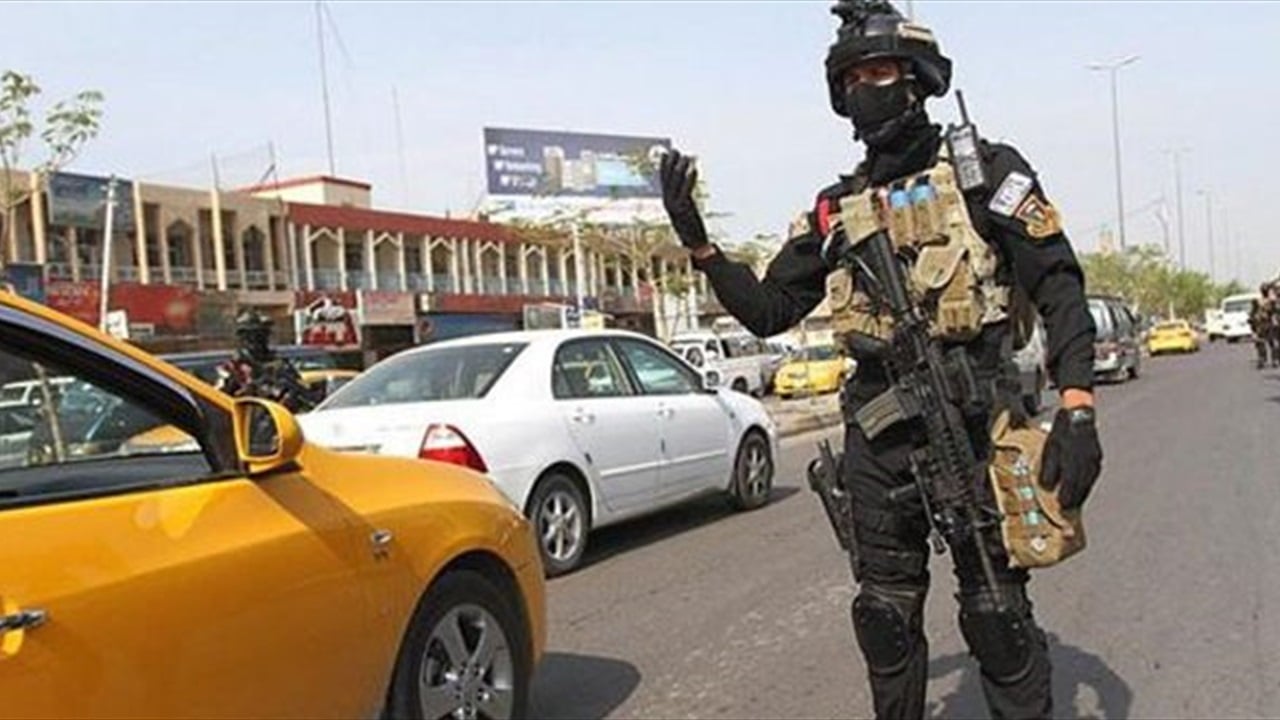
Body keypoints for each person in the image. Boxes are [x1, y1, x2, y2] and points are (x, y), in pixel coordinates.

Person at [658, 2, 1101, 718]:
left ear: (917, 79)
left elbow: (1058, 284)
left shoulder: (985, 173)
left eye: (882, 72)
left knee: (995, 611)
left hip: (973, 423)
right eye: (853, 78)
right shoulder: (837, 208)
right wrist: (701, 246)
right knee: (883, 614)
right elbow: (771, 309)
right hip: (879, 434)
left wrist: (1078, 408)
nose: (867, 89)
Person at [215, 310, 315, 413]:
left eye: (263, 335)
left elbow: (302, 393)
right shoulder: (233, 369)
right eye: (255, 335)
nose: (259, 341)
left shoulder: (280, 365)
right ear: (244, 337)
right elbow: (218, 403)